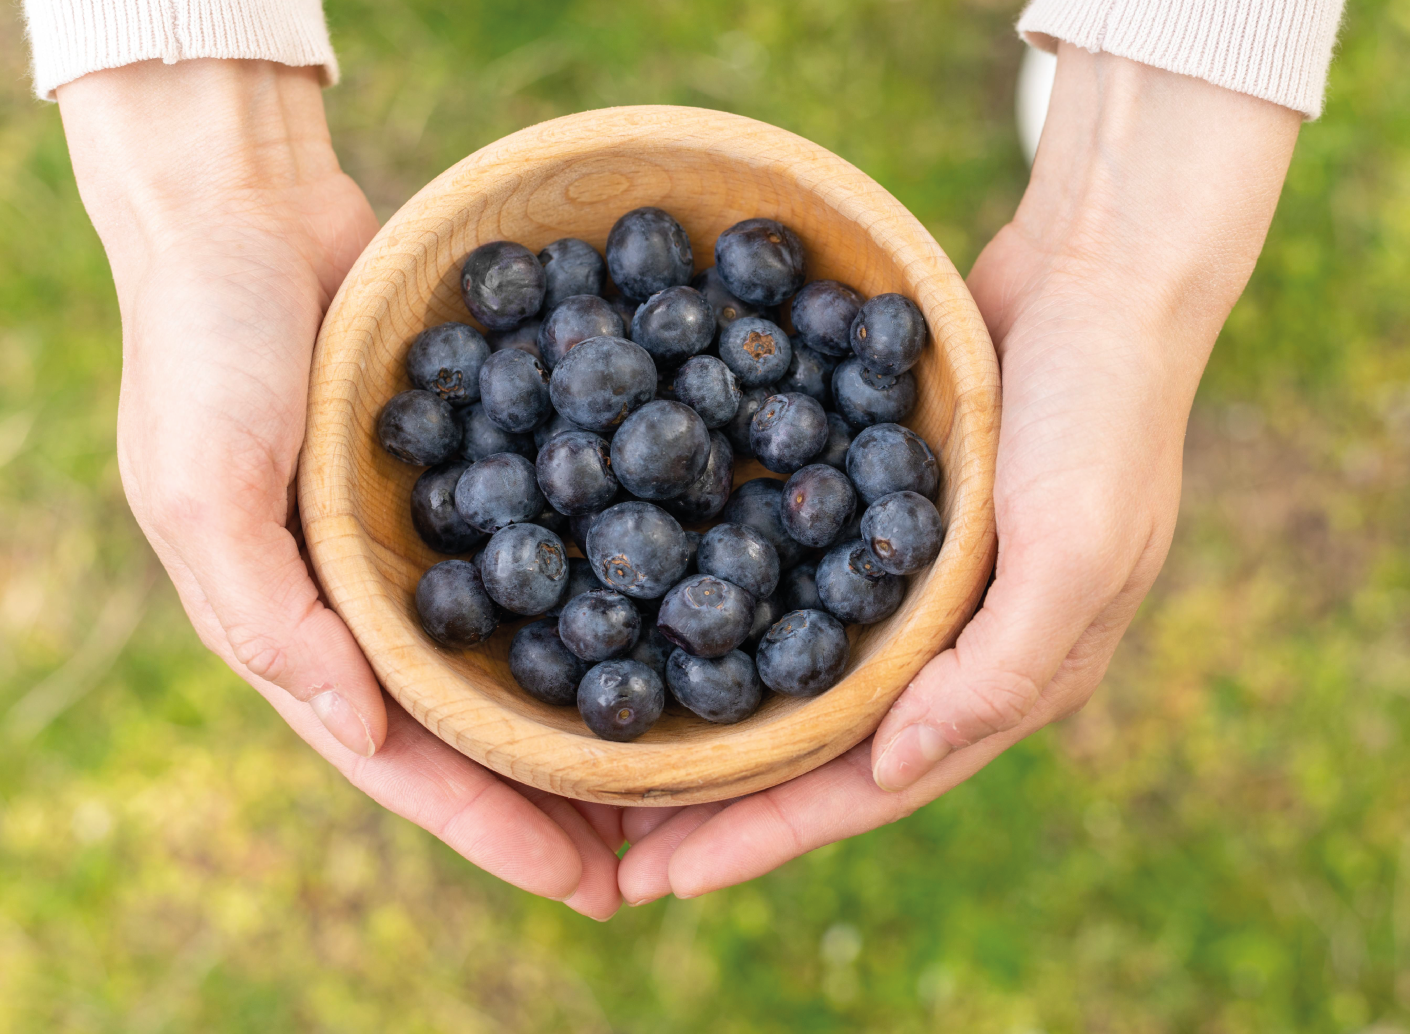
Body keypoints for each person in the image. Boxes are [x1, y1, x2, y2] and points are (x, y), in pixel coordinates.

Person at [23, 0, 1346, 918]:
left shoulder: (716, 436)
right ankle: (1125, 83)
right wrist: (207, 180)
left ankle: (1133, 71)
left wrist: (1136, 228)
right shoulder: (574, 508)